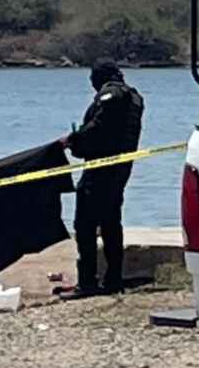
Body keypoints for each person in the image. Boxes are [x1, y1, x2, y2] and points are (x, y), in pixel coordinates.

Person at [59, 59, 145, 299]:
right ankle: (113, 278)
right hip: (120, 167)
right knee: (110, 222)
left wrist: (74, 140)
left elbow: (100, 127)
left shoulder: (112, 95)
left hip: (102, 168)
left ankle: (87, 281)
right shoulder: (135, 98)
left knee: (84, 224)